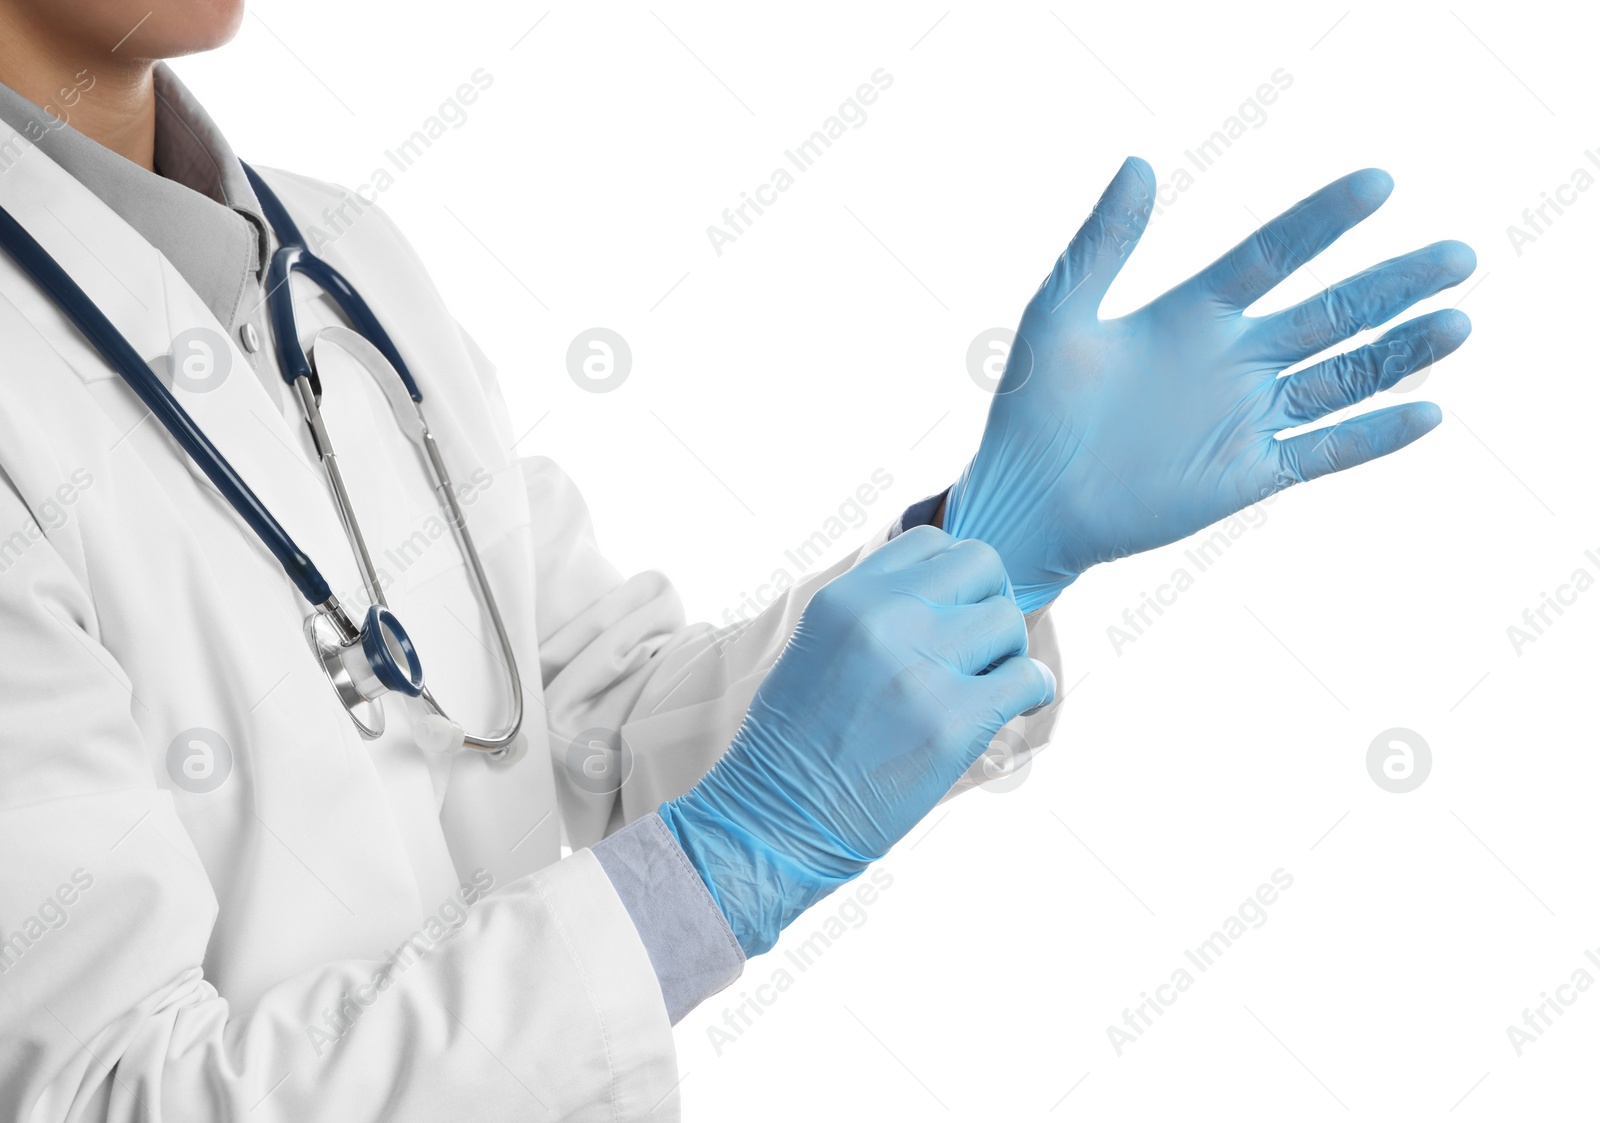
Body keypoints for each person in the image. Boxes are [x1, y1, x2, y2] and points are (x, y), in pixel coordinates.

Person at [0, 1, 1475, 1119]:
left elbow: (585, 716)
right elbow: (102, 1092)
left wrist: (990, 549)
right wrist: (712, 874)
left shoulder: (339, 256)